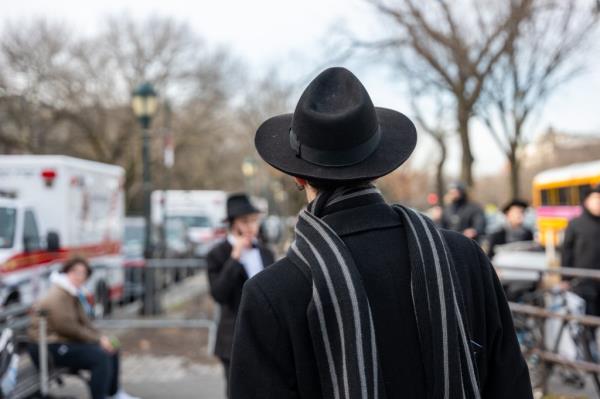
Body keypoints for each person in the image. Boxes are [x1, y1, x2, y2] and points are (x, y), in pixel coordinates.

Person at [229, 67, 531, 398]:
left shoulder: (272, 294)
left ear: (298, 177)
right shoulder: (465, 257)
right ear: (379, 164)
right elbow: (512, 385)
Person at [28, 257, 139, 399]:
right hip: (47, 347)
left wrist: (102, 338)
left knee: (112, 347)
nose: (79, 276)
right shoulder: (59, 295)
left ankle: (114, 393)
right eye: (75, 272)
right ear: (66, 272)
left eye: (83, 273)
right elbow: (67, 327)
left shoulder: (72, 293)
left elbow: (84, 323)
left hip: (62, 341)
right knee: (100, 356)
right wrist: (98, 340)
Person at [207, 193, 275, 397]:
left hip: (265, 336)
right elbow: (218, 294)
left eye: (254, 221)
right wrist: (235, 258)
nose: (251, 227)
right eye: (245, 222)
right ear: (232, 224)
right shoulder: (217, 254)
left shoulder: (265, 252)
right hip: (232, 338)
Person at [562, 185, 600, 316]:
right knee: (587, 320)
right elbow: (566, 251)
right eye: (595, 198)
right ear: (586, 201)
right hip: (583, 283)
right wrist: (565, 278)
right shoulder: (575, 224)